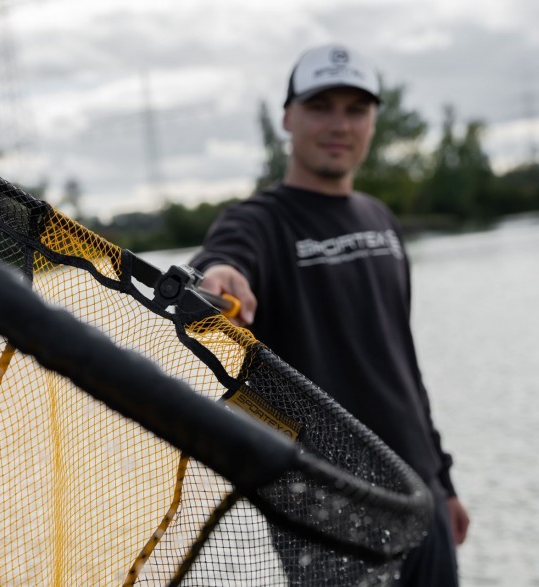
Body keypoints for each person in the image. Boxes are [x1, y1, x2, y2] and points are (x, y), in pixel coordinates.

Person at [188, 43, 470, 585]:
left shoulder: (380, 218)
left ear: (373, 122)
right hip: (324, 509)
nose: (339, 125)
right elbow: (224, 258)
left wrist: (444, 481)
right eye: (320, 107)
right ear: (287, 118)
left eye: (355, 110)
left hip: (420, 495)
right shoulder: (259, 221)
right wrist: (219, 275)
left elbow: (403, 367)